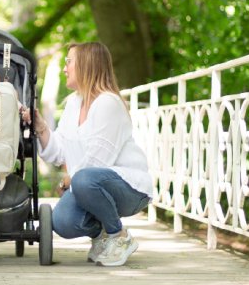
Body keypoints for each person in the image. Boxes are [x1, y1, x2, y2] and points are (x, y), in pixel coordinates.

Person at [21, 42, 152, 267]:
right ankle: (102, 236)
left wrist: (70, 181)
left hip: (129, 188)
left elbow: (98, 161)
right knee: (62, 221)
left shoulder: (108, 103)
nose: (65, 68)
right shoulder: (74, 103)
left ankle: (119, 236)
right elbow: (59, 152)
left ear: (86, 64)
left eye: (69, 62)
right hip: (88, 184)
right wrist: (41, 127)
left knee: (83, 178)